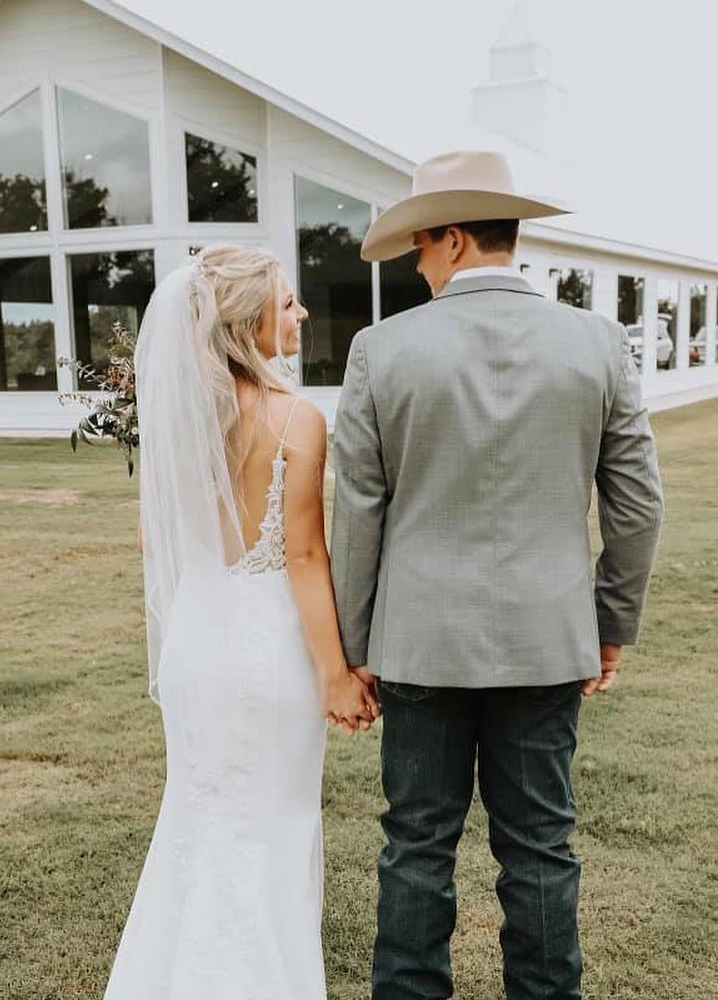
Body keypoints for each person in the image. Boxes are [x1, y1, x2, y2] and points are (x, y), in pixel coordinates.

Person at [330, 151, 664, 1000]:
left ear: (450, 239)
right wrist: (611, 624)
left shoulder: (381, 350)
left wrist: (355, 646)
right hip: (549, 641)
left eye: (418, 244)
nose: (414, 260)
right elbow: (636, 505)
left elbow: (359, 510)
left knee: (415, 847)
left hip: (417, 644)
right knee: (541, 846)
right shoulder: (597, 341)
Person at [103, 244, 378, 1000]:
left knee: (198, 813)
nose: (300, 313)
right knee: (271, 828)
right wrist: (335, 675)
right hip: (267, 650)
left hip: (197, 641)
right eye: (286, 302)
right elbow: (305, 556)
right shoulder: (298, 418)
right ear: (250, 320)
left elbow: (151, 539)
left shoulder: (181, 419)